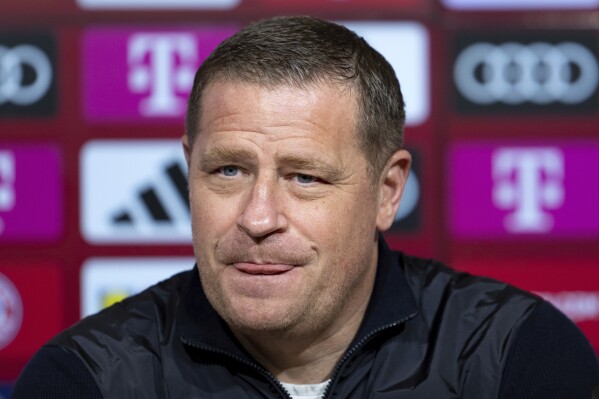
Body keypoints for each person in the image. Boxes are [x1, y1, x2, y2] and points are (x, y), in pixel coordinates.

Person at [13, 16, 599, 398]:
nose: (258, 217)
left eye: (305, 177)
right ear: (189, 170)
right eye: (228, 171)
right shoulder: (84, 381)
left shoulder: (519, 360)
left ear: (387, 190)